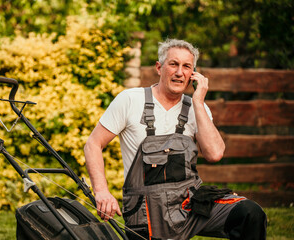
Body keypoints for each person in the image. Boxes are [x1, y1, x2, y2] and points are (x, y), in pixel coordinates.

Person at [84, 39, 267, 240]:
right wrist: (101, 191)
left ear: (193, 74)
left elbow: (215, 153)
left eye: (186, 66)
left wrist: (198, 101)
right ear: (159, 67)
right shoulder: (129, 100)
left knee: (250, 214)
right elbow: (93, 144)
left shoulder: (198, 109)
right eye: (173, 64)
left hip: (189, 205)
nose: (179, 72)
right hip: (146, 211)